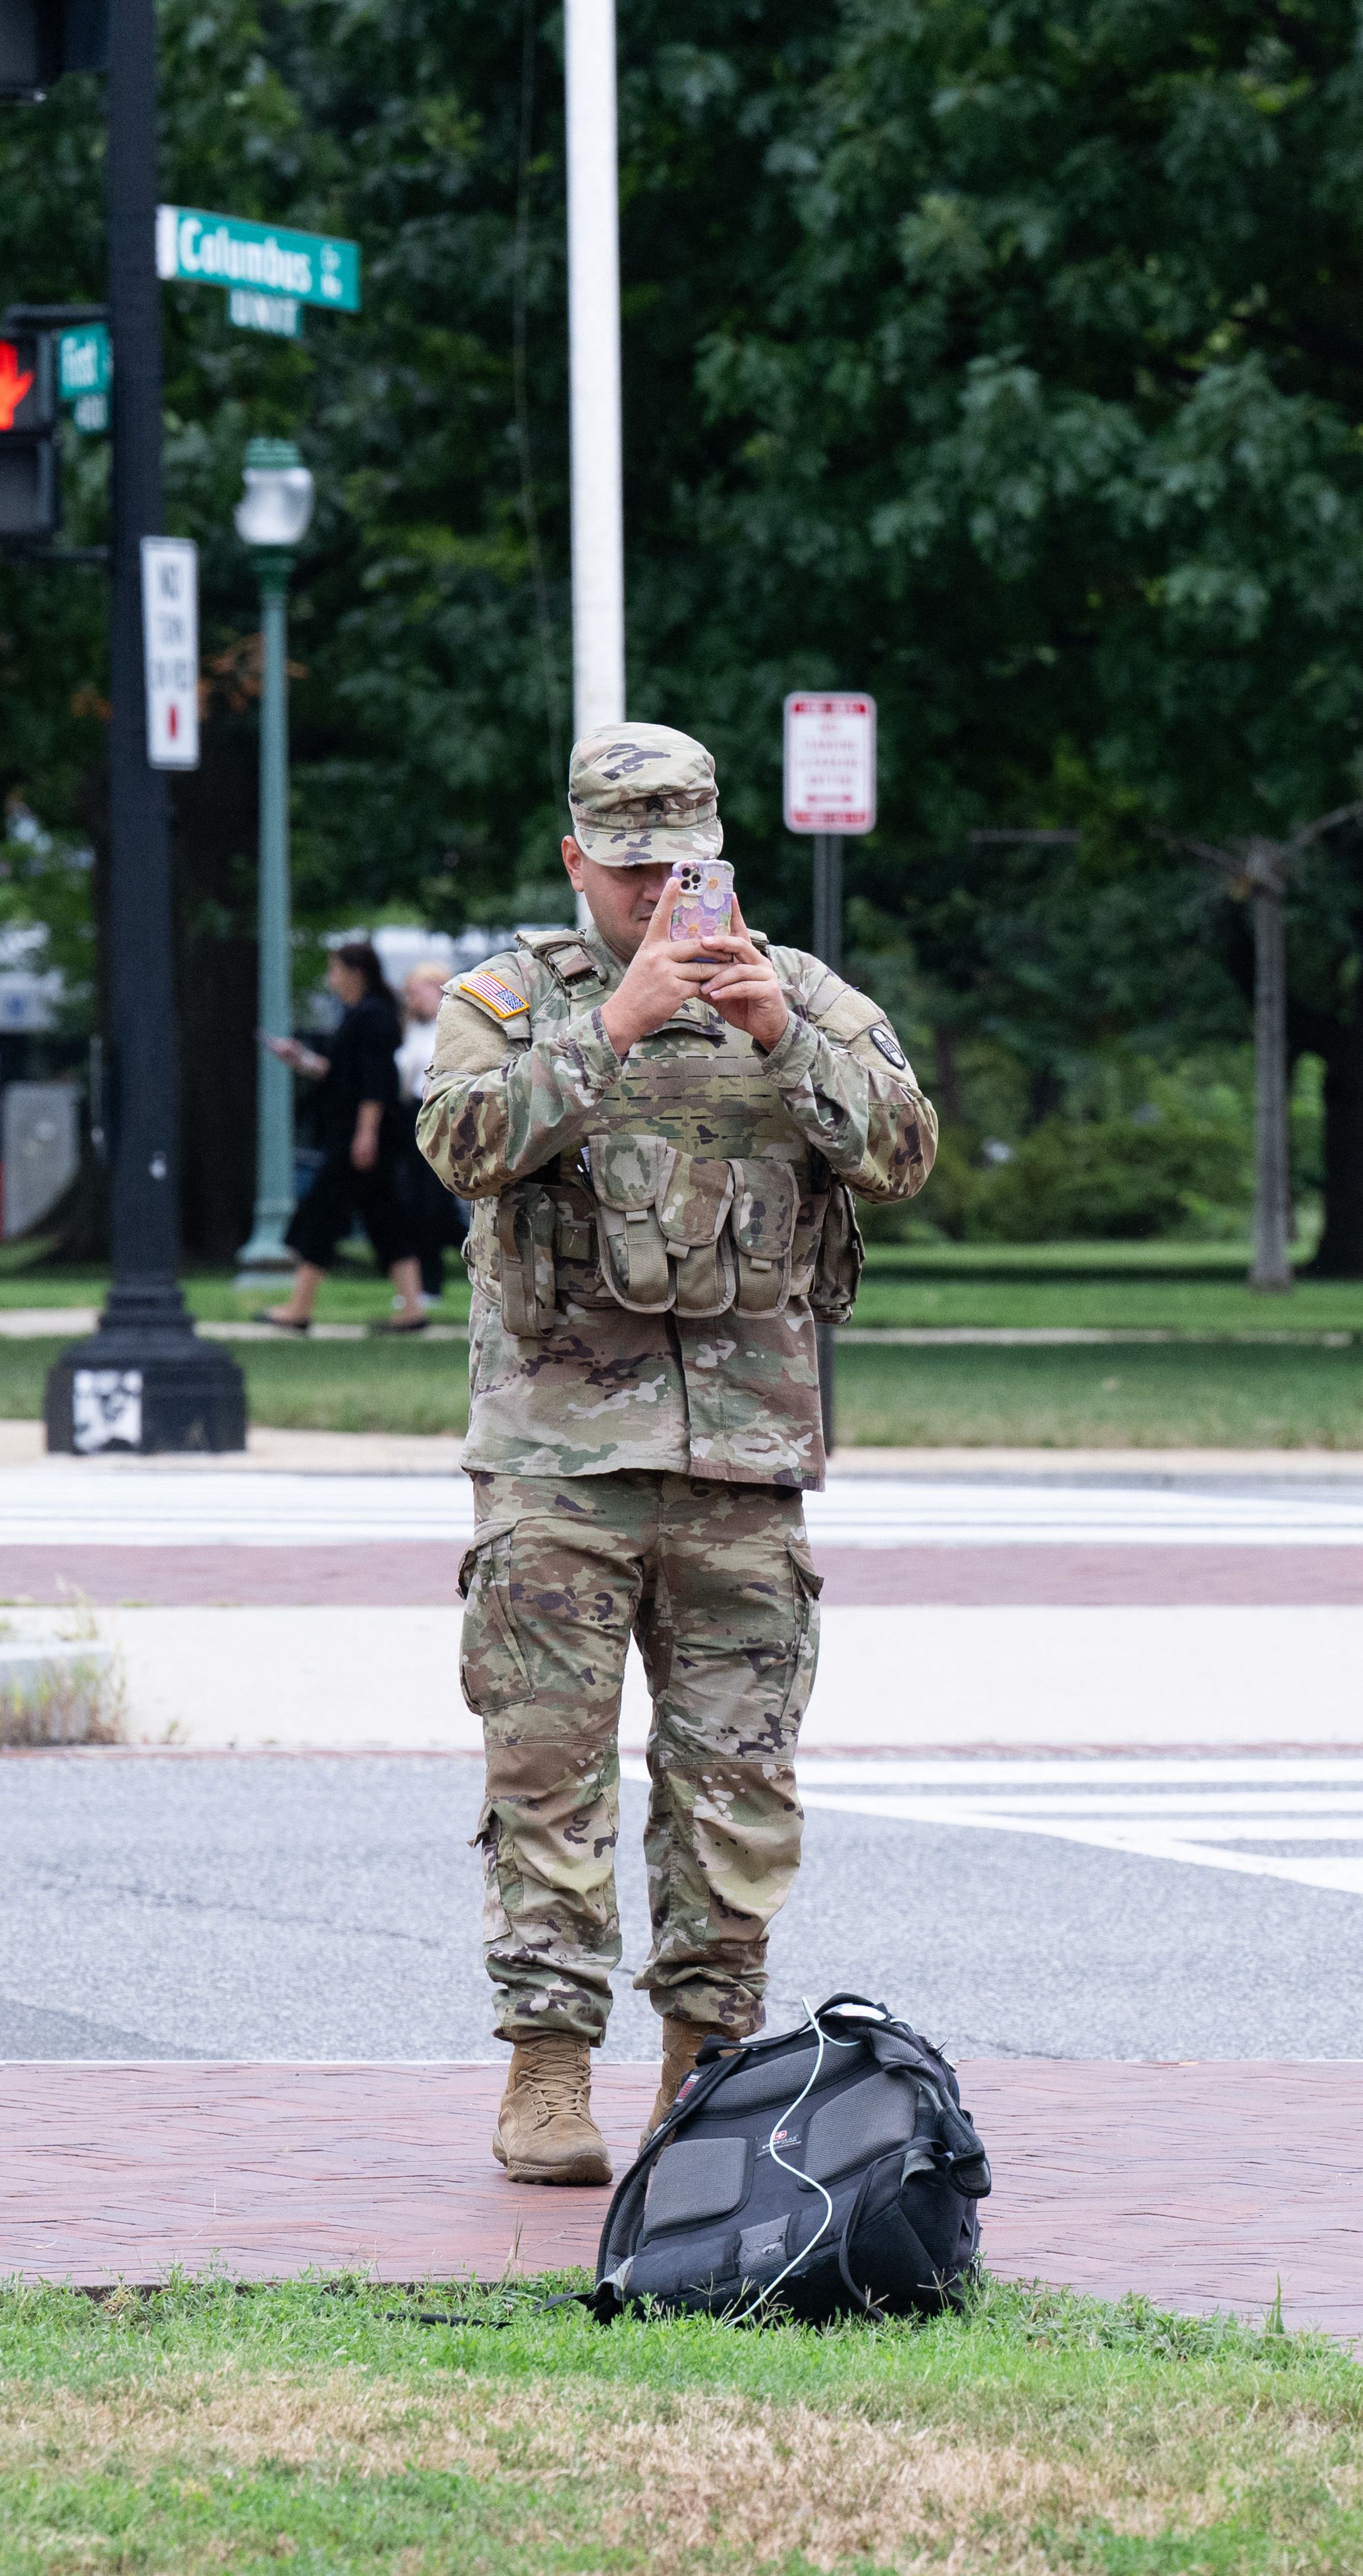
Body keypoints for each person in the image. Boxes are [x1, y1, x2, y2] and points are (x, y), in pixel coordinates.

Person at [417, 723, 939, 2187]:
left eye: (681, 867)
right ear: (578, 860)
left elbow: (903, 1154)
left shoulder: (808, 1000)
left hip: (743, 1476)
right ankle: (546, 2067)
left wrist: (781, 1034)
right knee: (549, 1777)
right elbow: (456, 1142)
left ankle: (705, 2075)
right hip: (556, 1470)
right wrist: (617, 1024)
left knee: (736, 1786)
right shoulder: (509, 1000)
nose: (657, 896)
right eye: (629, 868)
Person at [256, 941, 432, 1334]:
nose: (331, 979)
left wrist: (365, 1134)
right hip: (361, 1131)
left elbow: (375, 1082)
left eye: (335, 970)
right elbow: (345, 1075)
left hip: (360, 1133)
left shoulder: (372, 1016)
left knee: (324, 1211)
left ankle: (299, 1307)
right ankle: (411, 1309)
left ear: (355, 972)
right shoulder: (365, 1015)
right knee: (384, 1216)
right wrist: (302, 1060)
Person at [385, 964, 465, 1300]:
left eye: (417, 992)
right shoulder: (410, 1029)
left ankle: (431, 1281)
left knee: (431, 1203)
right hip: (409, 1116)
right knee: (414, 1201)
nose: (412, 1000)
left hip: (439, 1113)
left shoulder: (451, 1028)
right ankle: (421, 1282)